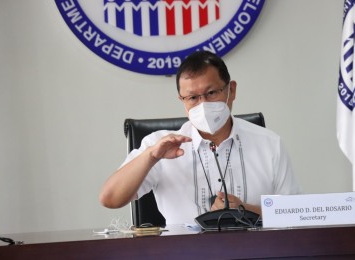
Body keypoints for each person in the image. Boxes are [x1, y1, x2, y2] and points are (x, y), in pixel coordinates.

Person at [99, 51, 300, 225]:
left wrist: (245, 210)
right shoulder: (158, 146)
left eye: (211, 93)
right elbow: (110, 199)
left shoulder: (269, 143)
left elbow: (295, 214)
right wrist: (151, 157)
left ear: (232, 90)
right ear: (182, 100)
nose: (203, 104)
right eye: (193, 98)